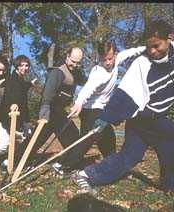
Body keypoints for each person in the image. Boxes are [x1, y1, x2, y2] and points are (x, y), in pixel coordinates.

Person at [71, 19, 174, 194]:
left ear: (170, 38)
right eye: (149, 47)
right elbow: (125, 92)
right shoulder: (142, 64)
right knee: (170, 139)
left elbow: (131, 52)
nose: (152, 51)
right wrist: (104, 117)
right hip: (145, 115)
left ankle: (87, 174)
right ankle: (170, 184)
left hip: (142, 120)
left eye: (156, 46)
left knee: (129, 156)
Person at [68, 40, 146, 161]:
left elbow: (132, 52)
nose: (108, 63)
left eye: (110, 58)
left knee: (104, 136)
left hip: (100, 108)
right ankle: (65, 165)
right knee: (90, 137)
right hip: (90, 108)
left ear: (115, 54)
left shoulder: (118, 59)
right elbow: (87, 89)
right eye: (104, 59)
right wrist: (78, 103)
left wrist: (148, 47)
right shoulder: (98, 73)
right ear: (100, 57)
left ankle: (110, 162)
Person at [33, 47, 86, 171]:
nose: (75, 65)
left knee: (72, 139)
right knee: (37, 140)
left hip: (60, 111)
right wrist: (44, 114)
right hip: (51, 111)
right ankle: (13, 161)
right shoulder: (57, 72)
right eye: (73, 61)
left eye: (78, 62)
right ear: (67, 56)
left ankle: (63, 164)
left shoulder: (75, 73)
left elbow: (87, 82)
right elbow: (47, 94)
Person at [0, 55, 36, 164]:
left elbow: (22, 87)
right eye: (21, 65)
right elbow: (11, 94)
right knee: (3, 146)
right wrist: (13, 103)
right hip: (7, 116)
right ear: (16, 66)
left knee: (28, 136)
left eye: (26, 66)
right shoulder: (12, 79)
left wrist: (30, 84)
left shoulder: (19, 79)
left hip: (19, 118)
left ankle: (9, 161)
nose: (24, 68)